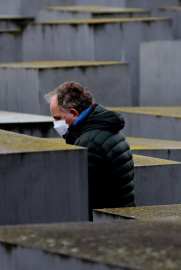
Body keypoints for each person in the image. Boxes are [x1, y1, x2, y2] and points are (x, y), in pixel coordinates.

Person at [44, 81, 135, 220]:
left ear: (73, 113)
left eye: (57, 118)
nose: (55, 123)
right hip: (123, 215)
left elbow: (84, 194)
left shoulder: (88, 142)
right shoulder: (105, 127)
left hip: (108, 223)